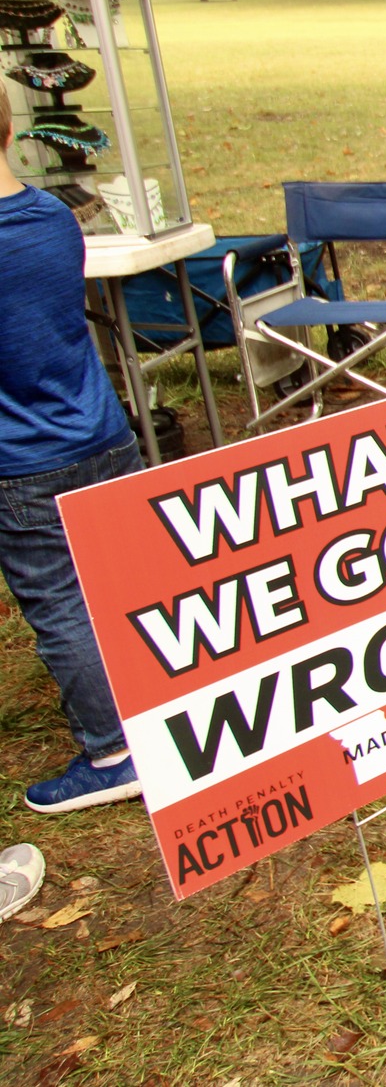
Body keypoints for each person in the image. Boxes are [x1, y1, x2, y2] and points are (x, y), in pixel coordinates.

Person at [0, 92, 146, 812]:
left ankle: (114, 749)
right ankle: (161, 703)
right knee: (121, 582)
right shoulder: (53, 218)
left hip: (26, 457)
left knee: (61, 600)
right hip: (102, 430)